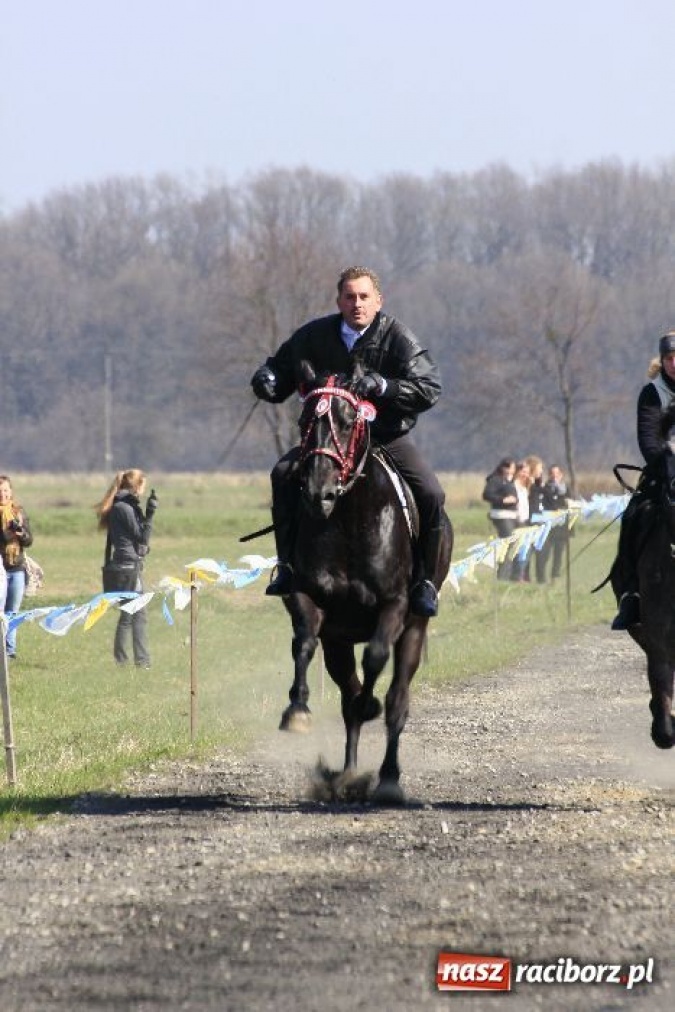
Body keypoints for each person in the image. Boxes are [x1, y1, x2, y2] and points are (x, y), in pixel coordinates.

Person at [249, 265, 448, 618]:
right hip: (329, 439)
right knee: (282, 474)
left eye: (364, 297)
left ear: (378, 301)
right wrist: (266, 379)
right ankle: (288, 568)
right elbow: (280, 370)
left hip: (385, 437)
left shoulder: (397, 337)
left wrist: (385, 386)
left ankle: (426, 583)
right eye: (350, 297)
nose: (357, 303)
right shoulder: (313, 336)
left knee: (432, 493)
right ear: (339, 300)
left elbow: (429, 387)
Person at [612, 330, 675, 629]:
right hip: (664, 473)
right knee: (633, 516)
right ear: (662, 361)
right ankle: (631, 593)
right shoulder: (652, 393)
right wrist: (666, 466)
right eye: (670, 358)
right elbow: (649, 440)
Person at [95, 470, 158, 667]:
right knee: (133, 615)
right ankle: (137, 661)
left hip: (125, 564)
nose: (144, 490)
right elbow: (141, 536)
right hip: (127, 566)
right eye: (143, 486)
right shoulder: (124, 507)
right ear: (136, 486)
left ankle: (129, 660)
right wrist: (150, 514)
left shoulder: (122, 505)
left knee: (130, 614)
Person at [0, 475, 34, 659]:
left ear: (11, 491)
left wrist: (20, 533)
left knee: (12, 611)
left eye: (5, 490)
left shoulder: (18, 512)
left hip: (17, 568)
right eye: (0, 491)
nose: (2, 494)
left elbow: (29, 540)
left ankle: (10, 651)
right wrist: (6, 533)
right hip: (0, 569)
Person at [482, 457, 518, 580]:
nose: (512, 471)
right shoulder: (495, 480)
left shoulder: (509, 480)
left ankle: (508, 573)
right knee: (506, 544)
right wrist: (503, 500)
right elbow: (487, 494)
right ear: (504, 468)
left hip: (512, 515)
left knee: (511, 544)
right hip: (501, 515)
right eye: (510, 468)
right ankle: (502, 576)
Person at [540, 464, 570, 582]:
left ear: (561, 475)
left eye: (557, 474)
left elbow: (571, 501)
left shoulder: (566, 488)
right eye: (552, 474)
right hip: (549, 524)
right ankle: (541, 576)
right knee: (545, 552)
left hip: (562, 526)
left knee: (559, 552)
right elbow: (548, 504)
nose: (554, 476)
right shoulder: (545, 488)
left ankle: (555, 576)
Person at [511, 460, 532, 582]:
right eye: (523, 471)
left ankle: (521, 574)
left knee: (525, 549)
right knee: (521, 549)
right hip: (517, 520)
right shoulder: (514, 485)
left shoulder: (525, 486)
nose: (525, 474)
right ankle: (517, 576)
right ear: (518, 471)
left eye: (527, 472)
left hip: (525, 519)